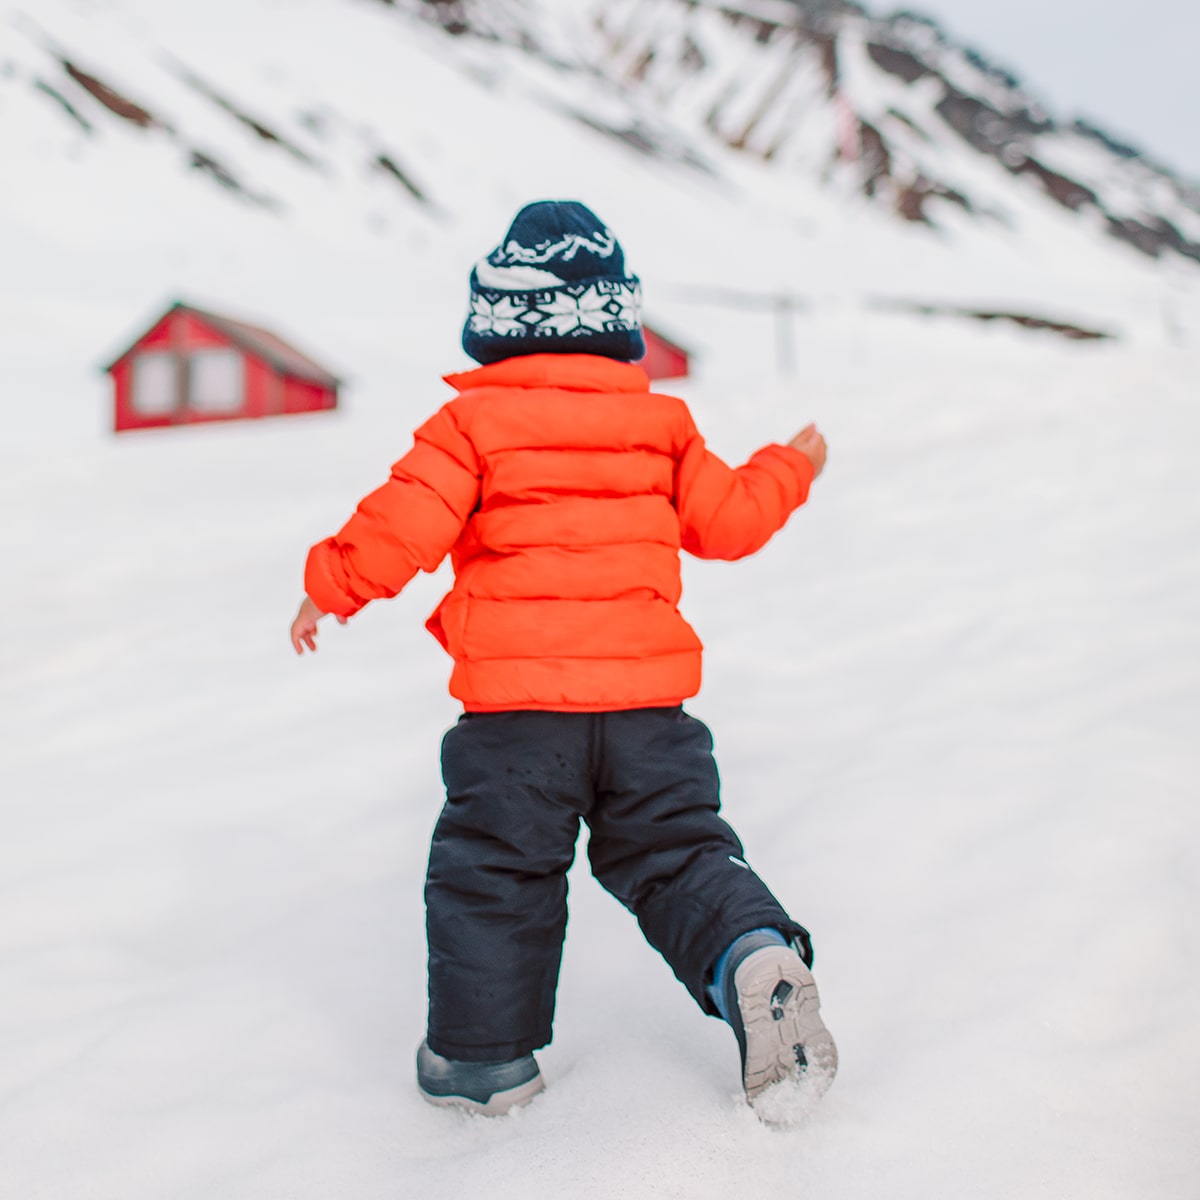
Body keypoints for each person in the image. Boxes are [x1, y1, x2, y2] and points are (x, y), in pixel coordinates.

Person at [290, 200, 837, 1118]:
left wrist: (331, 584)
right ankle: (748, 950)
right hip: (649, 717)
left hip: (518, 723)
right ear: (616, 326)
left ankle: (481, 1063)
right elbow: (731, 522)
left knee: (496, 870)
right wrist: (793, 464)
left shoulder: (470, 425)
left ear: (496, 327)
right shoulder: (660, 425)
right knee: (674, 852)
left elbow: (403, 524)